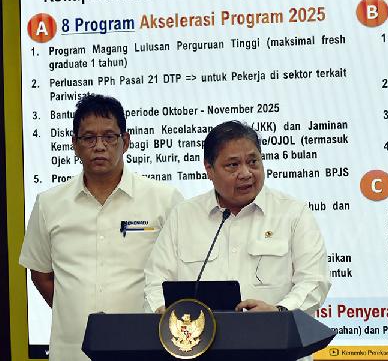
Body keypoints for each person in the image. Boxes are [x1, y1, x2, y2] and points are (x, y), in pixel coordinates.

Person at [19, 94, 184, 361]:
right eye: (88, 138)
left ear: (125, 141)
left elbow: (181, 271)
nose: (99, 146)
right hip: (72, 351)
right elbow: (40, 273)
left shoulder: (164, 199)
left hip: (145, 346)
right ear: (74, 144)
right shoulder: (49, 203)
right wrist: (72, 310)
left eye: (109, 137)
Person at [144, 120, 330, 318]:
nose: (246, 173)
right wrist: (164, 313)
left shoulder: (293, 213)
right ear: (209, 169)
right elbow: (156, 281)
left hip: (274, 334)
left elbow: (314, 281)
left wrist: (279, 312)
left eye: (253, 162)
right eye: (233, 165)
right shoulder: (183, 216)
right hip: (197, 335)